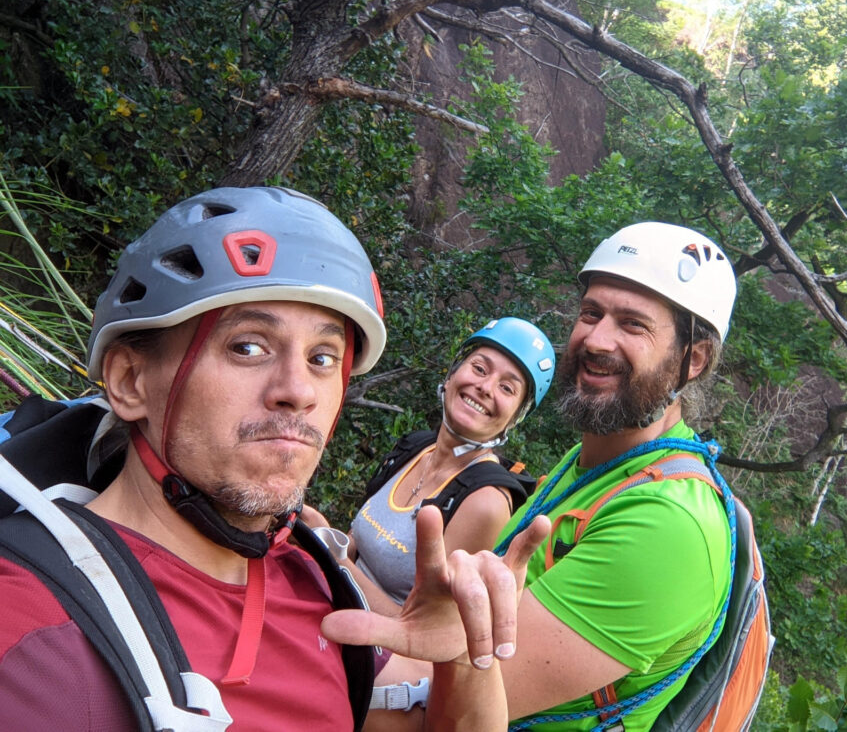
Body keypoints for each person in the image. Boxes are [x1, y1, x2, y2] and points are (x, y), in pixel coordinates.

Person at [0, 186, 548, 732]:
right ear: (130, 380)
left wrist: (462, 661)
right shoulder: (32, 638)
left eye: (322, 357)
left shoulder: (312, 582)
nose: (298, 391)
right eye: (248, 346)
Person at [368, 220, 738, 730]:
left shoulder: (669, 527)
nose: (596, 340)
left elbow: (440, 713)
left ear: (692, 359)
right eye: (591, 313)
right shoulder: (592, 462)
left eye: (633, 324)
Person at [347, 316, 554, 614]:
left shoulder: (485, 502)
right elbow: (357, 543)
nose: (485, 387)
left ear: (516, 417)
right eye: (479, 368)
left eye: (507, 388)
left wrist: (337, 563)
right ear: (452, 374)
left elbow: (421, 631)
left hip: (378, 656)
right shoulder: (414, 447)